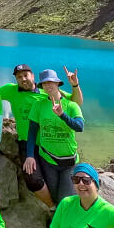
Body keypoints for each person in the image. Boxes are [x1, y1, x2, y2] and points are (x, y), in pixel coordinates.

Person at [0, 64, 83, 207]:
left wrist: (75, 86)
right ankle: (53, 207)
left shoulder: (49, 92)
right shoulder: (12, 90)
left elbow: (75, 103)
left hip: (48, 146)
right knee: (33, 178)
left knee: (62, 189)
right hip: (28, 143)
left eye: (26, 75)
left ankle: (63, 210)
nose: (23, 79)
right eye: (19, 77)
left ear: (32, 76)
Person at [27, 68, 85, 204]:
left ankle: (63, 223)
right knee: (53, 195)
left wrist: (62, 115)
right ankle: (55, 223)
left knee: (65, 200)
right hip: (48, 160)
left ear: (58, 83)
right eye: (44, 84)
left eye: (51, 82)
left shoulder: (71, 105)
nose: (48, 86)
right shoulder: (38, 105)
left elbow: (79, 127)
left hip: (69, 161)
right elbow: (32, 132)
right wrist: (29, 155)